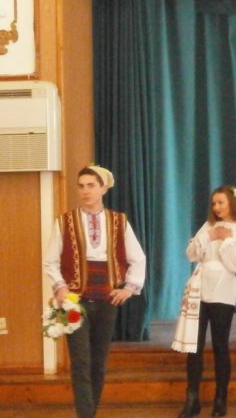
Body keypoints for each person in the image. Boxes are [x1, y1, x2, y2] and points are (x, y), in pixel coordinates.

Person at [44, 165, 147, 418]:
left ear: (104, 188)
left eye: (91, 185)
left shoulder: (118, 221)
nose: (85, 191)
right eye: (81, 186)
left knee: (98, 363)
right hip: (73, 301)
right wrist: (60, 286)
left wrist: (129, 288)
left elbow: (138, 258)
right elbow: (50, 261)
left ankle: (90, 412)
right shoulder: (65, 222)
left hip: (106, 300)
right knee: (80, 362)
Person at [173, 185, 236, 418]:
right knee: (194, 345)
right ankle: (192, 399)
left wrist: (227, 241)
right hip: (200, 288)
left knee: (220, 344)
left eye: (221, 203)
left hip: (223, 289)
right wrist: (209, 236)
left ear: (231, 203)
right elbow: (191, 253)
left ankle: (221, 399)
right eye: (214, 203)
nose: (217, 207)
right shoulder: (208, 226)